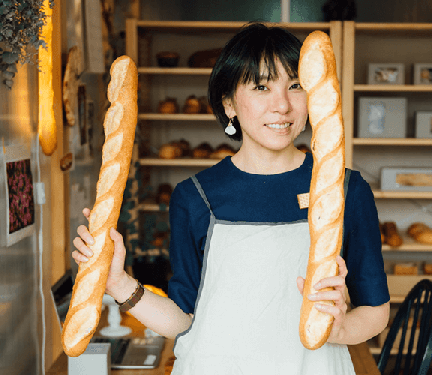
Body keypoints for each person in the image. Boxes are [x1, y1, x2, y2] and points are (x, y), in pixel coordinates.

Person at [73, 22, 390, 374]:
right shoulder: (195, 196)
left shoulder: (345, 190)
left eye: (295, 85)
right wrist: (117, 282)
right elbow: (184, 322)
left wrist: (342, 327)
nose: (282, 105)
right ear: (229, 104)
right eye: (261, 87)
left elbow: (376, 312)